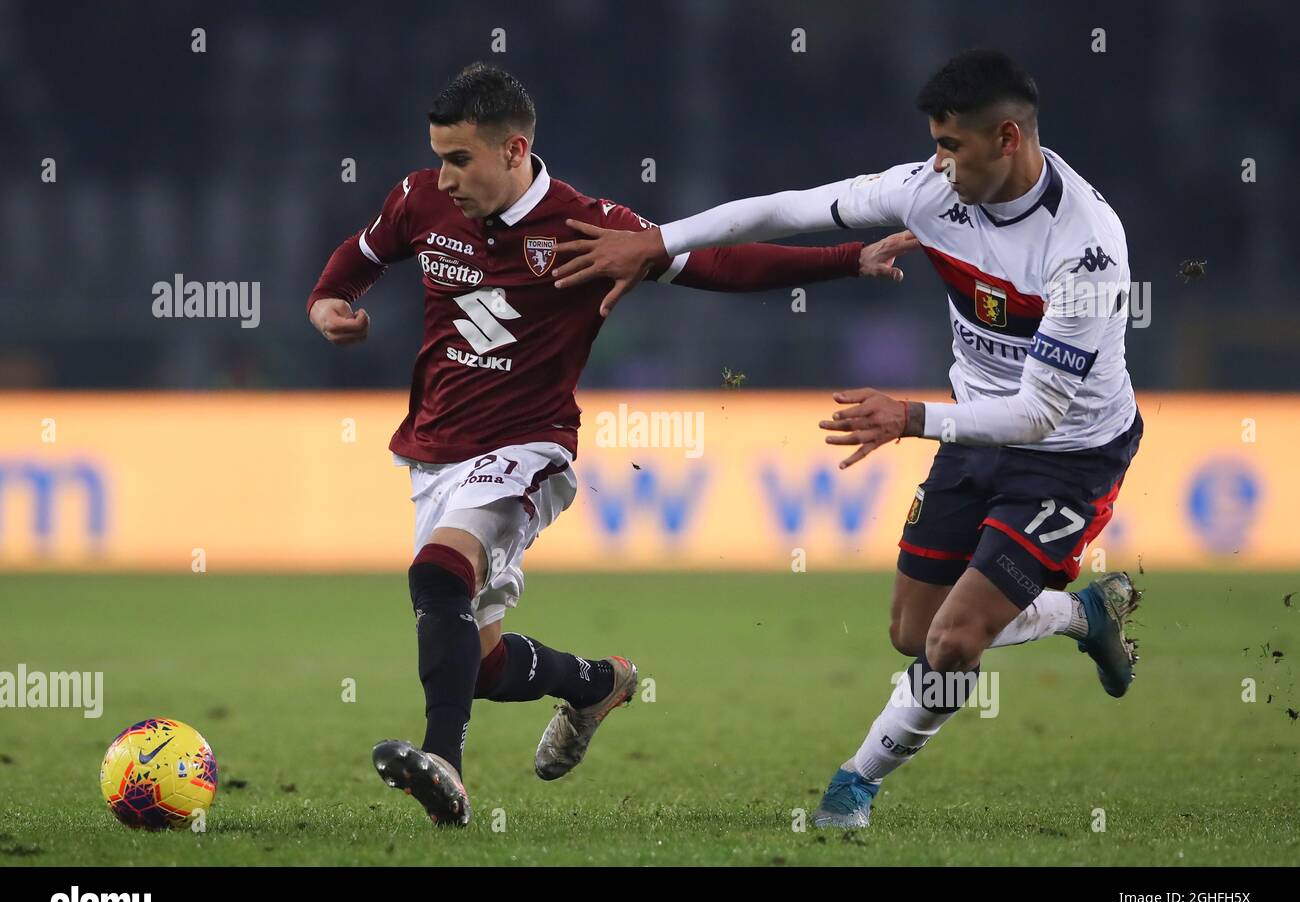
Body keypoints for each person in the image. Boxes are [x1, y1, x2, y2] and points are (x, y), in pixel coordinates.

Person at [549, 49, 1143, 828]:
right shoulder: (930, 192)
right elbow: (786, 209)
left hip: (1069, 454)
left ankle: (852, 786)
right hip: (972, 432)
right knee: (911, 633)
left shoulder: (1086, 251)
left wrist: (910, 417)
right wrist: (658, 242)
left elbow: (1039, 415)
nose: (937, 163)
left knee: (956, 642)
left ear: (1007, 139)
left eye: (952, 145)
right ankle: (1080, 616)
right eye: (933, 143)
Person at [306, 62, 908, 826]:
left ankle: (445, 770)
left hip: (528, 445)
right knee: (480, 661)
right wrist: (330, 301)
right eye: (439, 157)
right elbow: (360, 256)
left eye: (460, 159)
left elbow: (717, 262)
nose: (445, 176)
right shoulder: (419, 199)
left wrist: (846, 259)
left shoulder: (585, 226)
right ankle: (597, 684)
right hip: (434, 451)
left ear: (514, 149)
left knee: (436, 576)